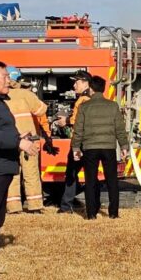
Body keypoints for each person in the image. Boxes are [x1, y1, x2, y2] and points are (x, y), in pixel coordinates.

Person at [0, 60, 38, 280]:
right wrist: (18, 143)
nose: (9, 80)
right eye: (4, 76)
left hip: (2, 167)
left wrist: (20, 137)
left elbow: (1, 131)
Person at [72, 76, 128, 219]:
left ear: (90, 89)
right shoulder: (113, 106)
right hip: (108, 147)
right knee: (112, 181)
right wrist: (124, 146)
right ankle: (114, 213)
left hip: (90, 148)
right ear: (103, 89)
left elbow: (78, 130)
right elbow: (120, 128)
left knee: (90, 181)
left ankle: (91, 213)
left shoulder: (84, 107)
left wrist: (76, 148)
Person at [4, 66, 48, 214]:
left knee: (13, 174)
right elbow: (41, 110)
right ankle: (35, 206)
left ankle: (13, 207)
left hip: (9, 140)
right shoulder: (24, 94)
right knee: (31, 174)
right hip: (29, 140)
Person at [59, 70, 92, 213]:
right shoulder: (92, 98)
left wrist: (64, 121)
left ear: (85, 83)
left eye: (76, 82)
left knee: (71, 174)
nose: (74, 85)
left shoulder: (83, 100)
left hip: (79, 143)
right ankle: (90, 206)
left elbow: (77, 121)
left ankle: (66, 207)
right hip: (90, 143)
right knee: (88, 174)